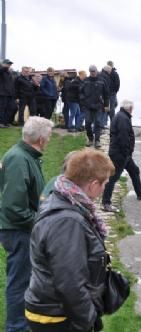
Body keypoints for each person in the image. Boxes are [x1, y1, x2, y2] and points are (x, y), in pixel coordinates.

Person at [24, 149, 115, 332]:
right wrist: (88, 319)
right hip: (57, 317)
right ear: (93, 185)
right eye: (105, 183)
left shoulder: (62, 199)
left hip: (54, 309)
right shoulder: (67, 221)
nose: (105, 188)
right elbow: (69, 282)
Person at [0, 116, 54, 332]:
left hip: (22, 229)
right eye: (49, 136)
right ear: (41, 139)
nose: (49, 141)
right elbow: (13, 206)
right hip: (18, 231)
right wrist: (39, 222)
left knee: (25, 279)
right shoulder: (19, 159)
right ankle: (16, 327)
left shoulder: (26, 156)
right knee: (19, 281)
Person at [102, 100, 141, 212]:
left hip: (123, 153)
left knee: (134, 170)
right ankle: (106, 203)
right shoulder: (123, 118)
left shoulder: (121, 116)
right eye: (132, 108)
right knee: (113, 178)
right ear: (129, 108)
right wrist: (127, 153)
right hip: (120, 154)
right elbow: (123, 138)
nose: (132, 110)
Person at [80, 65, 109, 149]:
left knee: (98, 123)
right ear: (89, 72)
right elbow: (80, 92)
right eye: (91, 71)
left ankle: (97, 140)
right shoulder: (85, 81)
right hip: (88, 106)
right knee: (88, 123)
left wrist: (106, 105)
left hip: (99, 106)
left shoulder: (102, 81)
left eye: (94, 71)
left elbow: (106, 94)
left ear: (96, 71)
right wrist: (83, 100)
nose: (92, 73)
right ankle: (90, 139)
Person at [0, 59, 16, 128]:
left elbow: (11, 84)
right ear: (3, 64)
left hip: (10, 94)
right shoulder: (1, 71)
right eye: (8, 63)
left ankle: (6, 122)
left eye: (10, 64)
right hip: (2, 93)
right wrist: (4, 66)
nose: (9, 65)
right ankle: (1, 123)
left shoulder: (9, 73)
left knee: (11, 108)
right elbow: (2, 70)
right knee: (2, 108)